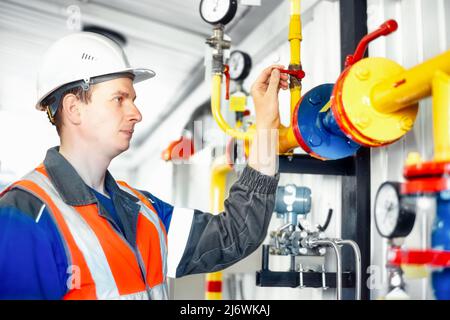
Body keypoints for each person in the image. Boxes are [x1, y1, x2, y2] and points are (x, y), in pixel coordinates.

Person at [0, 32, 289, 300]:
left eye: (133, 100)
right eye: (119, 99)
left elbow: (236, 234)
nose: (136, 113)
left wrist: (266, 128)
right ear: (74, 108)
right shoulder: (24, 214)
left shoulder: (143, 210)